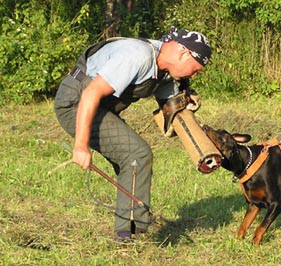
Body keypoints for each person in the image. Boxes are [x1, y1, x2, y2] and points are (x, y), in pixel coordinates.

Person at [54, 26, 212, 241]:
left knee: (132, 159)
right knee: (136, 155)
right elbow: (90, 94)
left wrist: (205, 151)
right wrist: (80, 146)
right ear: (183, 53)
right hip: (77, 103)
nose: (194, 74)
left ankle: (130, 227)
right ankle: (129, 234)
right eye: (195, 68)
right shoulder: (137, 55)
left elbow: (175, 112)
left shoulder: (165, 72)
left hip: (101, 108)